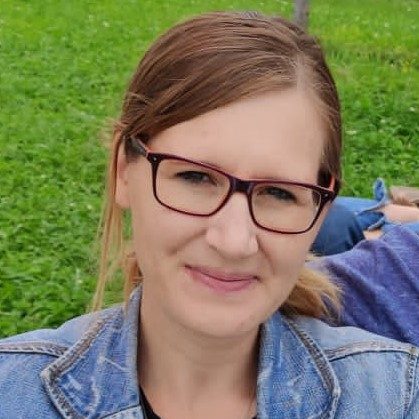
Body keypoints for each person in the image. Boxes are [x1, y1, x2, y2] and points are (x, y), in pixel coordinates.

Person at [0, 12, 418, 418]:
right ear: (122, 170)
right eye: (196, 177)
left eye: (278, 193)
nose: (234, 241)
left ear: (321, 208)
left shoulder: (395, 398)